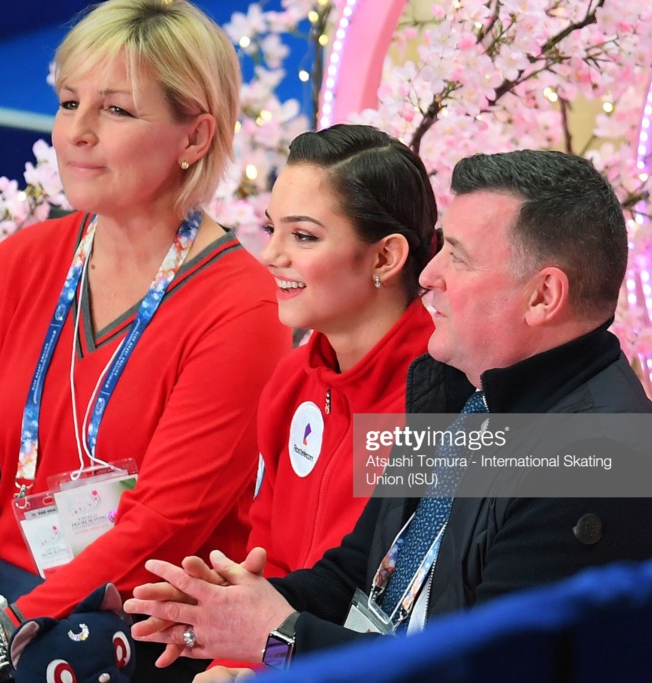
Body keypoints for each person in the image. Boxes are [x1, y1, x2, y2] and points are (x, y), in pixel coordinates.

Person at [0, 1, 289, 681]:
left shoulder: (242, 305)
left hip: (147, 630)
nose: (77, 132)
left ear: (194, 138)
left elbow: (159, 528)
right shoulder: (19, 263)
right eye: (70, 102)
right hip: (15, 609)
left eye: (116, 111)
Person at [123, 149, 652, 676]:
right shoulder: (464, 395)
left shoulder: (595, 466)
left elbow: (476, 672)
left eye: (460, 257)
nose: (428, 275)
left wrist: (276, 641)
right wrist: (224, 606)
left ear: (544, 296)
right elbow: (359, 572)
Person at [205, 124, 436, 674]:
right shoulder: (292, 379)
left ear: (385, 258)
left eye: (303, 236)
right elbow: (266, 564)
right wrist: (231, 660)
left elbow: (405, 614)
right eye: (272, 229)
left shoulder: (444, 400)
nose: (270, 256)